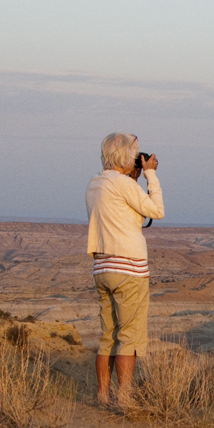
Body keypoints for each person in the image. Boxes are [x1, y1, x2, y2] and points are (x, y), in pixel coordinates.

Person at [85, 132, 164, 404]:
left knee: (108, 336)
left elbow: (124, 213)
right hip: (130, 268)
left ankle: (103, 396)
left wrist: (132, 176)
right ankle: (125, 397)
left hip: (102, 266)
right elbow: (156, 210)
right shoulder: (124, 185)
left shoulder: (95, 185)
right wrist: (150, 176)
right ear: (127, 157)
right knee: (128, 337)